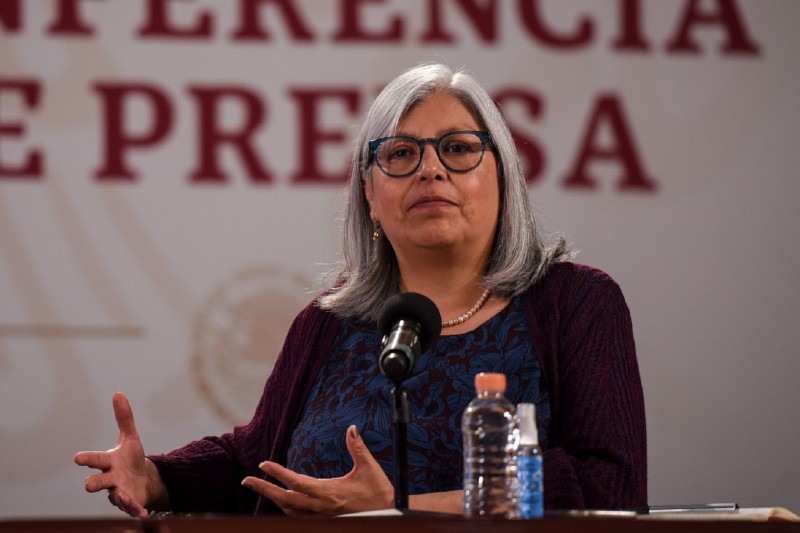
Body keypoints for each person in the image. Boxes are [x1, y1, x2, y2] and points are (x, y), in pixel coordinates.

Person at [75, 62, 647, 517]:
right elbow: (255, 462)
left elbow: (607, 484)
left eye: (457, 148)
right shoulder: (327, 324)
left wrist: (397, 512)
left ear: (503, 177)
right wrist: (155, 477)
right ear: (370, 196)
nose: (430, 170)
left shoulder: (576, 304)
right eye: (400, 153)